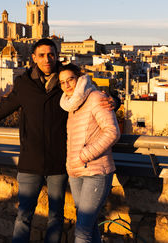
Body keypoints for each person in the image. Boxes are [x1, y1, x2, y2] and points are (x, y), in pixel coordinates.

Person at [0, 38, 119, 242]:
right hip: (31, 160)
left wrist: (115, 101)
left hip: (59, 161)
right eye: (41, 55)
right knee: (24, 215)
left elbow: (92, 93)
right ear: (33, 58)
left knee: (56, 217)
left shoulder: (66, 80)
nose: (47, 59)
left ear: (57, 55)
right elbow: (6, 106)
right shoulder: (24, 83)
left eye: (51, 54)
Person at [58, 64, 121, 243]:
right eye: (62, 82)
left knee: (81, 233)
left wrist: (85, 154)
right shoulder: (71, 105)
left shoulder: (95, 98)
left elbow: (112, 131)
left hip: (95, 171)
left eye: (70, 79)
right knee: (89, 226)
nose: (67, 85)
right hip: (76, 172)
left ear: (79, 78)